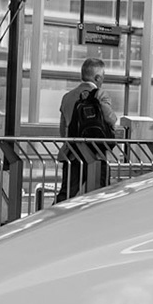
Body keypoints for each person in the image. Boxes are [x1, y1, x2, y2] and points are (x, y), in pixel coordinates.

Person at [59, 59, 117, 199]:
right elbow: (111, 119)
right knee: (100, 195)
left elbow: (62, 130)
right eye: (103, 76)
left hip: (72, 154)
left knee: (67, 195)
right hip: (97, 154)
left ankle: (53, 213)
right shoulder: (101, 95)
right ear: (97, 78)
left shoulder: (67, 97)